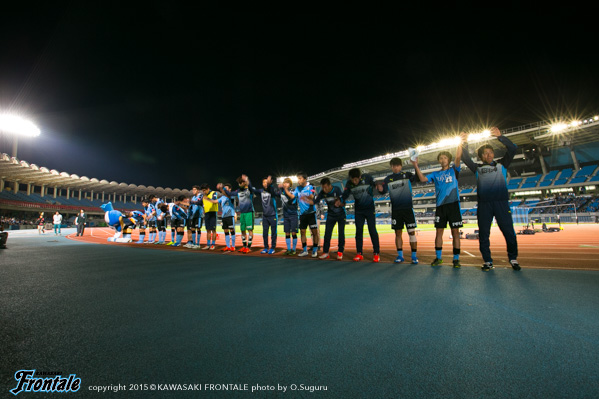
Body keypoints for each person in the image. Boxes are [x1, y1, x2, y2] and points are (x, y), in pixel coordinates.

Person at [460, 128, 520, 271]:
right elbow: (465, 157)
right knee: (484, 234)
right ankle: (487, 261)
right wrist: (464, 142)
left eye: (491, 152)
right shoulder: (477, 168)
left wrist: (501, 137)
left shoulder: (502, 165)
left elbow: (513, 148)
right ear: (481, 156)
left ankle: (513, 258)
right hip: (485, 205)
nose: (489, 155)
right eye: (485, 153)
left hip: (501, 203)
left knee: (509, 232)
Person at [413, 144, 463, 268]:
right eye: (441, 158)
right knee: (438, 232)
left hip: (453, 205)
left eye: (445, 157)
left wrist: (460, 144)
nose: (443, 159)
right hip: (440, 207)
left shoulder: (454, 170)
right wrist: (415, 165)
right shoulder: (435, 174)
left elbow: (458, 156)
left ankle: (456, 259)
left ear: (449, 160)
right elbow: (423, 179)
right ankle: (438, 257)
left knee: (455, 232)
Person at [376, 157, 420, 264]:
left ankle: (414, 256)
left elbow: (418, 178)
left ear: (401, 166)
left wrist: (415, 165)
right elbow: (383, 191)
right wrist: (380, 189)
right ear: (391, 167)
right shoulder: (387, 179)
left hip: (408, 209)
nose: (395, 168)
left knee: (412, 233)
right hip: (396, 210)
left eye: (397, 165)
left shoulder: (407, 175)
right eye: (393, 166)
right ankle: (400, 256)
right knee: (398, 233)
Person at [342, 168, 380, 263]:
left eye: (356, 180)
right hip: (358, 211)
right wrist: (340, 200)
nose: (354, 182)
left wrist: (377, 186)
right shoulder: (349, 183)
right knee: (358, 231)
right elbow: (345, 195)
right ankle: (359, 253)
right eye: (352, 180)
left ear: (360, 177)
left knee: (372, 230)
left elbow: (376, 183)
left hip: (370, 209)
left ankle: (376, 253)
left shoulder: (367, 177)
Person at [284, 172, 319, 257]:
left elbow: (312, 197)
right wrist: (285, 189)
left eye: (300, 178)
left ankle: (314, 250)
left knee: (314, 232)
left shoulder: (311, 186)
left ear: (305, 179)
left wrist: (306, 197)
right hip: (302, 214)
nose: (298, 180)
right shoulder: (297, 188)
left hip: (311, 213)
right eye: (298, 178)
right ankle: (304, 250)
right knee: (302, 232)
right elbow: (292, 196)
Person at [310, 178, 345, 260]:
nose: (324, 189)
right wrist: (308, 200)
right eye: (323, 188)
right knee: (327, 234)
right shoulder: (322, 192)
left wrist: (340, 203)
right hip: (331, 215)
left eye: (325, 187)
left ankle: (340, 252)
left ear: (330, 185)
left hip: (341, 214)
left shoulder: (337, 189)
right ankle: (325, 252)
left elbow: (344, 202)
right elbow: (315, 201)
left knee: (341, 233)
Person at [223, 175, 254, 253]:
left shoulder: (249, 190)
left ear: (244, 183)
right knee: (242, 230)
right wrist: (222, 188)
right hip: (242, 213)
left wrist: (247, 179)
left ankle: (249, 247)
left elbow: (250, 185)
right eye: (239, 183)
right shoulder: (238, 191)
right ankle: (244, 246)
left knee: (250, 230)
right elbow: (229, 194)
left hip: (249, 212)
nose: (240, 184)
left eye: (241, 182)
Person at [249, 176, 278, 254]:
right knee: (265, 233)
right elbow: (252, 189)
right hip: (265, 216)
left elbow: (272, 190)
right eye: (264, 182)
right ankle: (265, 247)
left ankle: (272, 247)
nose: (265, 184)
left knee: (273, 233)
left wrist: (270, 184)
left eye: (266, 182)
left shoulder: (272, 190)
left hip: (272, 215)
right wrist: (248, 181)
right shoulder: (261, 191)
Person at [277, 177, 299, 255]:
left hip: (293, 215)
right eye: (284, 183)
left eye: (286, 183)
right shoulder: (281, 192)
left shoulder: (293, 191)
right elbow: (274, 192)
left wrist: (285, 189)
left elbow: (292, 197)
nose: (285, 184)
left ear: (290, 184)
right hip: (286, 215)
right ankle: (289, 249)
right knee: (287, 233)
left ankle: (294, 249)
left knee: (293, 233)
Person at [216, 183, 237, 252]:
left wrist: (222, 189)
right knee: (226, 231)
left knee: (232, 230)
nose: (225, 189)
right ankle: (228, 246)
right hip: (224, 216)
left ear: (230, 189)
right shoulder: (222, 197)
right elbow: (216, 201)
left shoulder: (231, 196)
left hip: (230, 215)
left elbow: (229, 196)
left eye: (226, 188)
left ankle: (233, 246)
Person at [201, 184, 219, 250]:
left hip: (213, 213)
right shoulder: (204, 196)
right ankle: (208, 244)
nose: (204, 192)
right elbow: (200, 203)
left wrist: (207, 199)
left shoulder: (214, 193)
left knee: (213, 230)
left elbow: (214, 201)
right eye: (203, 191)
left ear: (208, 188)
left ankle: (213, 244)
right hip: (207, 213)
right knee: (208, 230)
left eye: (204, 190)